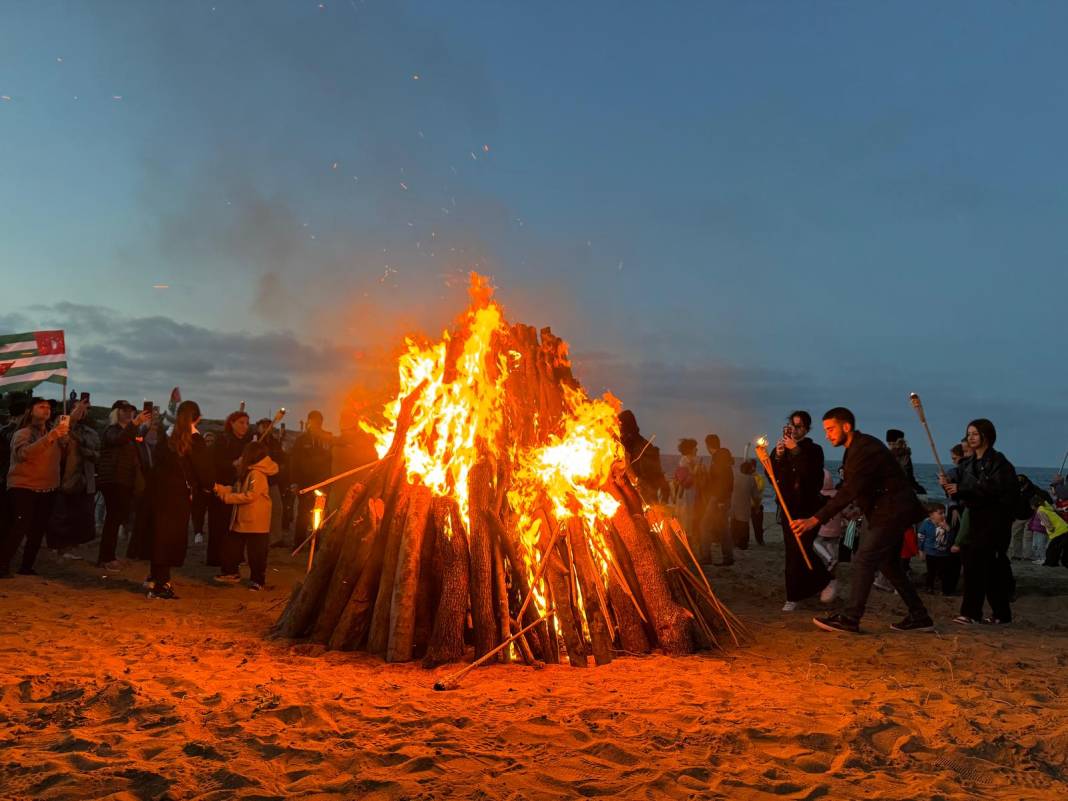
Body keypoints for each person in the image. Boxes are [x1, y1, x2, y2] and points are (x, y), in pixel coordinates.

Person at [793, 407, 933, 633]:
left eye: (830, 429)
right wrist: (855, 508)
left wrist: (815, 520)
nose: (827, 434)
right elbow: (862, 487)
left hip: (892, 512)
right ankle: (920, 616)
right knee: (888, 564)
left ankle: (850, 619)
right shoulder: (855, 448)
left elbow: (849, 490)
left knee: (864, 559)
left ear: (846, 427)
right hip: (883, 511)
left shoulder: (865, 448)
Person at [940, 418, 1018, 626]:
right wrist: (947, 485)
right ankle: (1001, 614)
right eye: (969, 434)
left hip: (994, 522)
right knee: (984, 567)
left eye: (975, 434)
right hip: (974, 519)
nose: (970, 438)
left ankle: (971, 613)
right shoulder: (968, 464)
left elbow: (996, 490)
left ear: (986, 436)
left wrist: (962, 489)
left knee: (981, 566)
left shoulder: (999, 463)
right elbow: (960, 494)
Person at [145, 400, 211, 599]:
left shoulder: (166, 437)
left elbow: (154, 463)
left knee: (159, 536)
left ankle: (155, 577)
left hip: (159, 492)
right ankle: (162, 583)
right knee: (169, 539)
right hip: (178, 495)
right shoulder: (195, 441)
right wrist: (209, 486)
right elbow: (203, 469)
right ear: (197, 418)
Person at [0, 398, 69, 577]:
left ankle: (27, 566)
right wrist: (51, 437)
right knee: (18, 527)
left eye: (48, 408)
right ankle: (2, 565)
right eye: (41, 407)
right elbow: (24, 454)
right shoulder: (22, 433)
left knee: (38, 530)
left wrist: (63, 441)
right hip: (23, 486)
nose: (46, 410)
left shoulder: (53, 433)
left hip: (47, 488)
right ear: (31, 411)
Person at [769, 411, 831, 610]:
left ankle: (821, 581)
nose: (794, 430)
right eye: (791, 425)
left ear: (806, 429)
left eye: (799, 426)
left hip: (808, 509)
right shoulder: (783, 449)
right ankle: (796, 594)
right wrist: (778, 456)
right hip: (787, 507)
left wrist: (795, 450)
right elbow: (772, 476)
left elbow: (812, 477)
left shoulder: (814, 450)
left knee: (801, 549)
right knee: (793, 551)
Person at [214, 439, 278, 589]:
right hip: (243, 519)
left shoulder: (257, 474)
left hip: (255, 521)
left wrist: (227, 498)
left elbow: (250, 495)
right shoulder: (249, 472)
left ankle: (257, 580)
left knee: (256, 553)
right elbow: (239, 490)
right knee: (233, 547)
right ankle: (231, 572)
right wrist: (220, 489)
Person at [96, 400, 151, 569]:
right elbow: (119, 439)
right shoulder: (111, 430)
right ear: (116, 413)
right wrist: (135, 424)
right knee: (113, 518)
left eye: (131, 411)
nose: (129, 413)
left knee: (116, 517)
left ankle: (108, 556)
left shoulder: (132, 432)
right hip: (114, 479)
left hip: (124, 479)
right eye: (124, 410)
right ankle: (106, 558)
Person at [46, 399, 100, 559]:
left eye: (85, 409)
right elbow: (55, 438)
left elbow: (97, 454)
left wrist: (83, 449)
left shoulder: (90, 432)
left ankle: (70, 546)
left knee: (80, 515)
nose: (82, 411)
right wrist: (71, 418)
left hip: (83, 478)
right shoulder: (60, 425)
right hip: (61, 476)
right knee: (60, 515)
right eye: (78, 407)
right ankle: (57, 546)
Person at [207, 411, 252, 566]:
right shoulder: (222, 440)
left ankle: (233, 556)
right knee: (219, 524)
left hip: (238, 488)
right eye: (241, 422)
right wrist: (232, 464)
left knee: (235, 524)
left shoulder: (246, 443)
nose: (244, 426)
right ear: (231, 423)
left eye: (247, 423)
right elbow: (213, 462)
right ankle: (215, 557)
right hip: (222, 487)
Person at [291, 410, 336, 547]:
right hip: (305, 483)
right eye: (313, 421)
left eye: (319, 422)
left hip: (321, 483)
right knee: (303, 514)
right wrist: (294, 482)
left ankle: (315, 542)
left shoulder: (328, 438)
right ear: (309, 422)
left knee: (318, 513)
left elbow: (331, 460)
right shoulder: (301, 440)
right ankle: (299, 542)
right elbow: (294, 461)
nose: (316, 424)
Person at [617, 410, 670, 504]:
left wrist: (638, 482)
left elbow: (656, 474)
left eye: (620, 424)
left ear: (625, 425)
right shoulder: (623, 444)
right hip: (632, 495)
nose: (618, 427)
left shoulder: (640, 446)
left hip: (643, 495)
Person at [699, 436, 734, 566]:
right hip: (721, 497)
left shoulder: (719, 458)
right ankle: (728, 557)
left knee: (704, 526)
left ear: (708, 445)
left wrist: (721, 499)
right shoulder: (722, 457)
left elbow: (723, 480)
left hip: (718, 498)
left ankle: (706, 557)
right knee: (723, 527)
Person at [917, 502, 959, 594]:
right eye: (940, 513)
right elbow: (921, 536)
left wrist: (948, 530)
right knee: (931, 572)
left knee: (944, 573)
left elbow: (952, 540)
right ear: (931, 515)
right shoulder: (926, 524)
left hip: (944, 554)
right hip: (931, 553)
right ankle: (929, 587)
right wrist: (921, 550)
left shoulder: (946, 524)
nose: (943, 515)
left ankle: (944, 589)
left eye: (944, 513)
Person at [673, 438, 703, 550]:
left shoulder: (692, 461)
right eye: (695, 447)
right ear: (690, 449)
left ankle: (689, 547)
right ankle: (686, 548)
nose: (697, 449)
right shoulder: (683, 462)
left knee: (691, 521)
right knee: (686, 521)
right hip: (686, 496)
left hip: (692, 495)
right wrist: (695, 471)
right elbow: (686, 482)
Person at [730, 459, 761, 550]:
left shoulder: (735, 476)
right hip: (744, 506)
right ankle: (742, 544)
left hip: (734, 505)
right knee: (743, 526)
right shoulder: (751, 480)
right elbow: (756, 496)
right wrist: (757, 507)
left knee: (734, 524)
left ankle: (734, 542)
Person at [886, 429, 925, 495]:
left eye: (892, 444)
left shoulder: (899, 455)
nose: (890, 446)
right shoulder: (904, 454)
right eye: (889, 444)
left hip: (902, 487)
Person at [1034, 495, 1068, 568]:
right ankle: (1061, 562)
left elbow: (1047, 522)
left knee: (1052, 549)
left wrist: (1050, 529)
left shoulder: (1040, 511)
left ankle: (1051, 563)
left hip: (1058, 531)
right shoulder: (1046, 507)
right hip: (1064, 528)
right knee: (1061, 548)